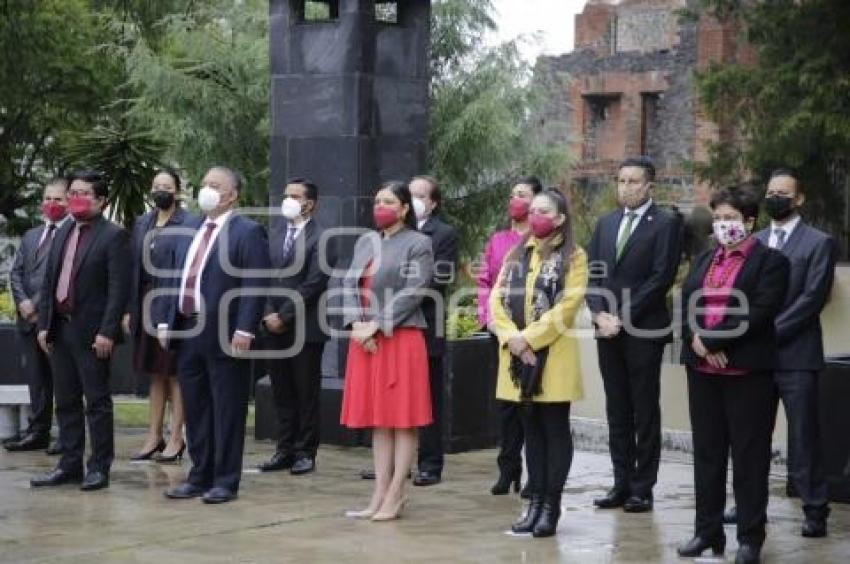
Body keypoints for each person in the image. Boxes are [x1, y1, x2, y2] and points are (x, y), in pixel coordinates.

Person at [677, 186, 789, 564]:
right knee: (707, 455)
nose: (724, 225)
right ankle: (706, 532)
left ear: (749, 222)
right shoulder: (704, 258)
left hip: (748, 373)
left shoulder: (771, 262)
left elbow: (759, 311)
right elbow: (688, 301)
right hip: (703, 372)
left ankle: (749, 538)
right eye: (719, 218)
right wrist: (698, 340)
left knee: (749, 458)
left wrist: (713, 340)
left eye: (731, 218)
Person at [724, 169, 835, 538]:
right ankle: (749, 505)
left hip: (797, 357)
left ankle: (815, 509)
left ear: (798, 199)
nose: (776, 198)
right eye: (770, 192)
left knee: (804, 438)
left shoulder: (818, 242)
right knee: (751, 435)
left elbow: (812, 298)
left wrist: (767, 332)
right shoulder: (753, 241)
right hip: (755, 360)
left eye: (783, 193)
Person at [156, 166, 270, 504]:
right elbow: (174, 278)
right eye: (204, 184)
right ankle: (199, 475)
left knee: (227, 408)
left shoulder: (247, 232)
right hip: (188, 329)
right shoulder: (191, 228)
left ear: (232, 195)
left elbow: (255, 281)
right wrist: (165, 320)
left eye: (215, 185)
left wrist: (246, 328)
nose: (207, 190)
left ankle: (225, 480)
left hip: (225, 332)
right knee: (197, 406)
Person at [586, 156, 682, 513]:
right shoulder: (606, 223)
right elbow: (592, 274)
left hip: (643, 328)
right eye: (621, 180)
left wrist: (622, 318)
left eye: (633, 181)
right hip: (606, 329)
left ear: (649, 187)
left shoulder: (666, 223)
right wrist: (598, 313)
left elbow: (661, 277)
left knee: (644, 411)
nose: (625, 187)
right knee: (617, 410)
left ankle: (643, 487)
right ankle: (621, 483)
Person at [489, 188, 588, 538]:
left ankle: (550, 506)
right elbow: (496, 301)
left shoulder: (573, 256)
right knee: (530, 431)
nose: (535, 216)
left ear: (560, 218)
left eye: (543, 211)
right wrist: (512, 340)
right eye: (532, 211)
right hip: (517, 357)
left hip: (552, 356)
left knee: (553, 431)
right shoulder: (517, 253)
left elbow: (567, 307)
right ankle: (532, 504)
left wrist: (527, 339)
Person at [339, 180, 434, 521]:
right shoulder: (366, 241)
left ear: (405, 208)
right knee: (379, 420)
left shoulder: (419, 243)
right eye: (377, 200)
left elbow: (414, 291)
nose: (380, 207)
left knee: (403, 419)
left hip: (401, 337)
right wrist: (356, 325)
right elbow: (348, 283)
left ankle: (397, 492)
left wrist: (376, 324)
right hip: (365, 339)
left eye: (389, 201)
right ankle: (378, 491)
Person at [32, 170, 131, 491]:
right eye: (72, 192)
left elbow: (119, 290)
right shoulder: (63, 232)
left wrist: (107, 331)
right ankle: (69, 464)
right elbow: (49, 283)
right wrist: (44, 325)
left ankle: (99, 467)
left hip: (92, 334)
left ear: (101, 201)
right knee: (66, 401)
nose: (75, 198)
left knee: (97, 402)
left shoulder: (113, 236)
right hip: (60, 330)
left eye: (84, 193)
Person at [125, 169, 201, 463]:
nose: (160, 191)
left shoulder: (190, 223)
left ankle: (176, 437)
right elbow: (134, 268)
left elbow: (184, 272)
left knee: (175, 374)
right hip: (145, 301)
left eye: (166, 186)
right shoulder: (142, 222)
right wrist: (130, 310)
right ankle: (153, 435)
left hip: (171, 304)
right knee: (155, 373)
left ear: (178, 192)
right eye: (156, 186)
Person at [257, 177, 332, 476]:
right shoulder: (274, 235)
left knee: (305, 392)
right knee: (281, 391)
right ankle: (284, 449)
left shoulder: (322, 238)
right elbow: (261, 276)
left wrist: (284, 315)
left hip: (305, 328)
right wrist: (267, 313)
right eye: (286, 194)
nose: (287, 200)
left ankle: (305, 451)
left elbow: (314, 283)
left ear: (309, 204)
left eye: (295, 196)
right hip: (271, 325)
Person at [477, 176, 543, 496]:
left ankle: (534, 473)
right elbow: (484, 283)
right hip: (501, 333)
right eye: (512, 194)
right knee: (506, 404)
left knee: (531, 404)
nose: (514, 200)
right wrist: (490, 320)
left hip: (532, 334)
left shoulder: (542, 240)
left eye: (522, 195)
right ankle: (508, 468)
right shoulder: (498, 239)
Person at [6, 178, 70, 454]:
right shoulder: (32, 235)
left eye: (58, 199)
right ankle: (37, 432)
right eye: (47, 198)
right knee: (37, 380)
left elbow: (59, 279)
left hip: (55, 321)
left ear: (68, 201)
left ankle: (68, 437)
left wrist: (36, 305)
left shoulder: (71, 234)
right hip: (27, 321)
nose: (51, 204)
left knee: (63, 382)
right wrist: (22, 302)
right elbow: (16, 272)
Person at [409, 175, 458, 487]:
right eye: (410, 195)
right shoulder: (390, 232)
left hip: (425, 325)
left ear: (433, 202)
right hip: (393, 328)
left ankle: (429, 463)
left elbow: (439, 277)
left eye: (421, 196)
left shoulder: (443, 234)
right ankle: (392, 462)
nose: (415, 201)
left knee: (428, 398)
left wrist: (400, 292)